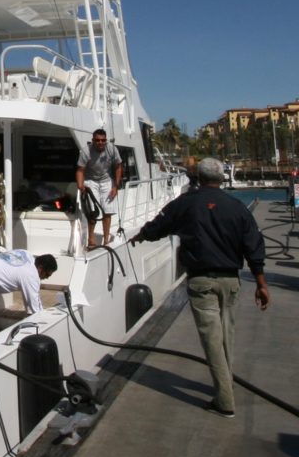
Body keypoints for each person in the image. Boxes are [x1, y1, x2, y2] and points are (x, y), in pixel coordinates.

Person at [130, 157, 270, 418]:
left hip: (201, 281)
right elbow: (254, 246)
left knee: (211, 339)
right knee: (226, 334)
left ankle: (225, 400)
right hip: (231, 281)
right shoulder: (238, 208)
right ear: (221, 178)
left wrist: (142, 235)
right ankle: (226, 384)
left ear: (199, 177)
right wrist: (261, 283)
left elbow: (161, 224)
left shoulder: (186, 203)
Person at [75, 128, 123, 247]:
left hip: (106, 180)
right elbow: (80, 170)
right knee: (93, 212)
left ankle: (106, 240)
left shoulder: (112, 149)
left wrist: (116, 187)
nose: (100, 142)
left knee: (107, 211)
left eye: (103, 140)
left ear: (106, 141)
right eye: (97, 140)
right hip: (91, 180)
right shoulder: (86, 151)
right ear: (93, 140)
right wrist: (81, 186)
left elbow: (118, 167)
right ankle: (91, 240)